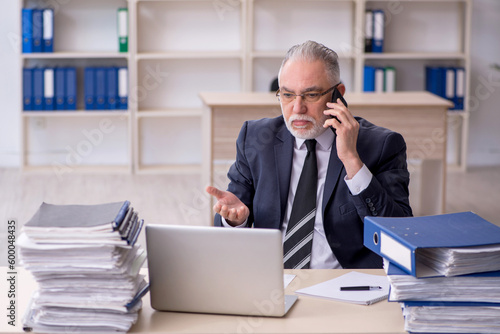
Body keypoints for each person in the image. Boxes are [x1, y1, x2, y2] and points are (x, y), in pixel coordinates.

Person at [205, 40, 412, 269]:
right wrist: (236, 220)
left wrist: (353, 162)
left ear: (338, 95)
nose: (297, 108)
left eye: (311, 95)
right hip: (272, 277)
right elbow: (231, 216)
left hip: (344, 282)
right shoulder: (254, 138)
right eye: (287, 95)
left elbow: (398, 232)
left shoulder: (381, 145)